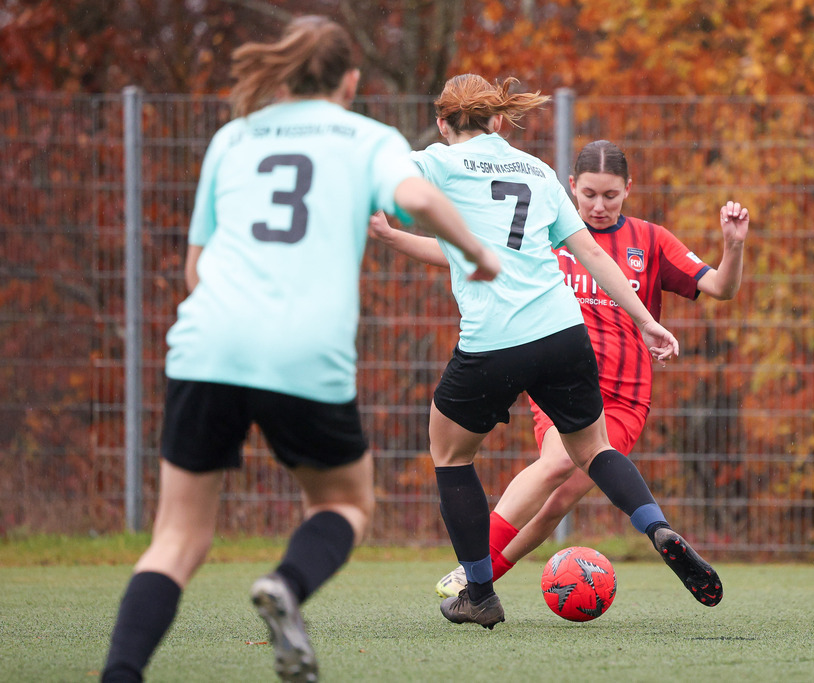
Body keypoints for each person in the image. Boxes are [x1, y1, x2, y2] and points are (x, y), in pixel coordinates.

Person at [100, 17, 498, 683]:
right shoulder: (368, 138)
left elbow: (195, 270)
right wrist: (476, 251)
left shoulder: (233, 138)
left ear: (284, 71)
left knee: (177, 539)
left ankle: (121, 672)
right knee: (344, 505)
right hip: (303, 351)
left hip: (207, 344)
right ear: (350, 80)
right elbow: (417, 195)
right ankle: (286, 585)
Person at [370, 74, 723, 631]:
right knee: (593, 449)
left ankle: (480, 592)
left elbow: (389, 189)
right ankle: (655, 526)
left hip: (493, 339)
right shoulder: (536, 170)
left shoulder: (436, 160)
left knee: (451, 452)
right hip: (563, 332)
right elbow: (591, 256)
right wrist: (647, 321)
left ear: (443, 123)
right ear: (498, 121)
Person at [426, 140, 750, 597]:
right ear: (571, 187)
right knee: (557, 463)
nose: (599, 206)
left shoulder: (650, 240)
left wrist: (733, 246)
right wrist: (391, 236)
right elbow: (459, 252)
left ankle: (480, 578)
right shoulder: (545, 233)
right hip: (561, 382)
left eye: (611, 196)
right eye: (590, 195)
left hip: (625, 398)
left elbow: (720, 286)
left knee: (558, 498)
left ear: (628, 190)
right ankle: (475, 574)